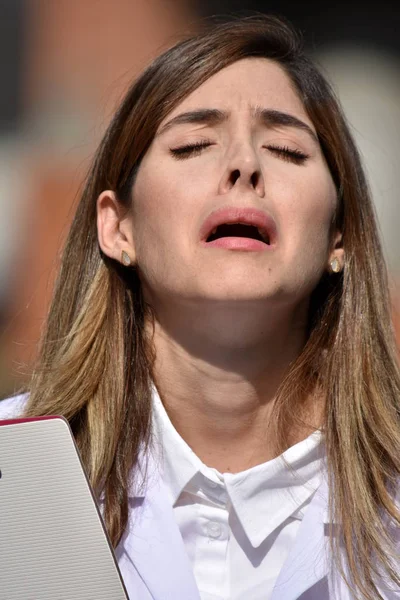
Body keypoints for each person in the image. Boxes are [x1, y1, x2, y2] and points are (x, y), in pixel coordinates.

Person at [1, 14, 399, 600]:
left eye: (286, 150)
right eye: (193, 145)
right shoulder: (15, 476)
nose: (244, 165)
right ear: (118, 228)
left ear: (339, 237)